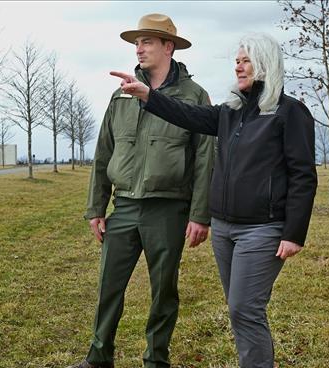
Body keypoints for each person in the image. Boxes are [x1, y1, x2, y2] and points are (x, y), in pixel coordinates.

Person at [111, 33, 318, 368]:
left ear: (265, 64)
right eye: (236, 61)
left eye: (246, 60)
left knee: (244, 308)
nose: (238, 66)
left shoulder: (289, 113)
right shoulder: (231, 112)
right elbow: (187, 115)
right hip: (224, 228)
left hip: (262, 230)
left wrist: (294, 233)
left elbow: (303, 175)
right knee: (240, 309)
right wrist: (149, 95)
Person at [68, 13, 215, 368]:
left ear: (168, 47)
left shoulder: (195, 96)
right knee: (108, 287)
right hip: (125, 207)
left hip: (168, 210)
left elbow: (205, 160)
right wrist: (96, 208)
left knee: (163, 292)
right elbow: (104, 152)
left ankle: (156, 360)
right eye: (136, 42)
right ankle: (98, 357)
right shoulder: (122, 96)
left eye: (147, 41)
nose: (139, 48)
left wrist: (199, 215)